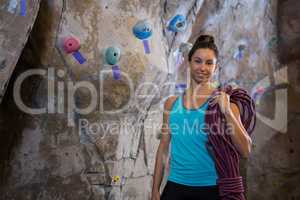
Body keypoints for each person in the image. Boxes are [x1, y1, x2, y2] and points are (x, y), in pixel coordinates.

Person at [151, 35, 253, 200]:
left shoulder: (223, 103)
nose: (203, 68)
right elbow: (163, 148)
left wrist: (227, 112)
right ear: (189, 63)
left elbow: (246, 150)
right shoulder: (172, 104)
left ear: (216, 67)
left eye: (209, 63)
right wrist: (155, 189)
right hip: (175, 188)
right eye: (198, 61)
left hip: (211, 189)